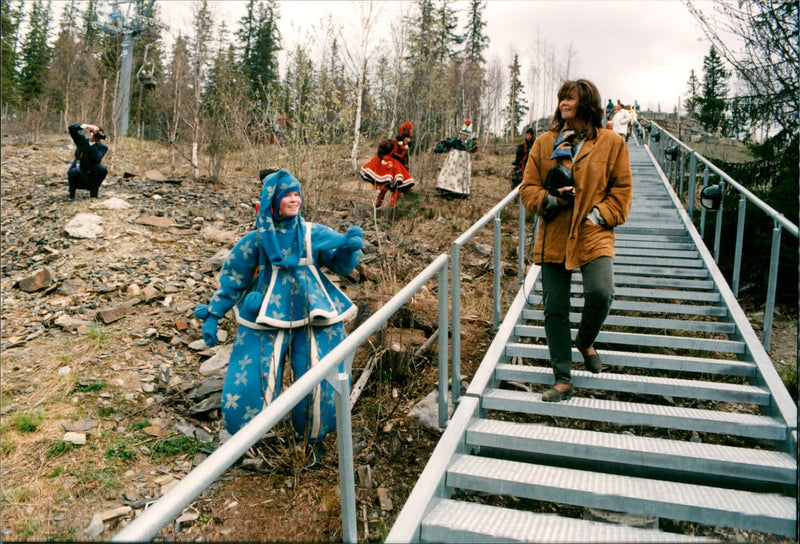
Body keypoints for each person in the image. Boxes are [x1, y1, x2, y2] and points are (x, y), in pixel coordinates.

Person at [194, 170, 364, 464]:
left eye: (297, 193)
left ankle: (313, 439)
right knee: (253, 375)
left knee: (319, 371)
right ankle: (247, 439)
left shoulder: (312, 233)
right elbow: (234, 277)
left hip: (315, 310)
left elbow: (341, 264)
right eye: (287, 194)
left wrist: (350, 249)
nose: (294, 198)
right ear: (272, 200)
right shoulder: (256, 240)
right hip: (264, 313)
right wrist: (214, 314)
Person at [519, 79, 632, 402]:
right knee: (555, 307)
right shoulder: (545, 143)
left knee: (601, 292)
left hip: (593, 232)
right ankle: (563, 378)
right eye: (561, 98)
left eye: (570, 97)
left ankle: (585, 340)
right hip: (554, 233)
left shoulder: (612, 143)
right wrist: (553, 200)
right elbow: (528, 189)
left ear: (587, 103)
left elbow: (622, 191)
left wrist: (597, 215)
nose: (563, 102)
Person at [360, 122, 415, 208]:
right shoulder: (392, 143)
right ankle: (377, 205)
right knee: (383, 187)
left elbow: (405, 162)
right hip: (386, 166)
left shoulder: (405, 149)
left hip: (397, 170)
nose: (408, 140)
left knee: (399, 188)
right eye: (407, 137)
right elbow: (381, 149)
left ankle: (391, 208)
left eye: (409, 138)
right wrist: (384, 158)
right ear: (403, 137)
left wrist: (405, 173)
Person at [433, 119, 479, 199]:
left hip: (464, 159)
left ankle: (462, 192)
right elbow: (447, 142)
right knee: (451, 172)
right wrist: (439, 148)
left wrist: (475, 146)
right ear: (460, 134)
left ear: (467, 136)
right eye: (462, 134)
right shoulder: (456, 140)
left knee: (463, 174)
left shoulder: (468, 142)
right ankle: (448, 190)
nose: (463, 136)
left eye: (465, 135)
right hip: (454, 157)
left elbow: (473, 149)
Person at [67, 123, 108, 200]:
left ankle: (94, 192)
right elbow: (71, 128)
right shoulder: (82, 140)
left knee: (102, 169)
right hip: (79, 169)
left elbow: (97, 158)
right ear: (90, 133)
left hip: (92, 172)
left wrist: (93, 143)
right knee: (73, 171)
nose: (94, 135)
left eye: (98, 135)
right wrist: (88, 126)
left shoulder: (102, 147)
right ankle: (72, 194)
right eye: (93, 132)